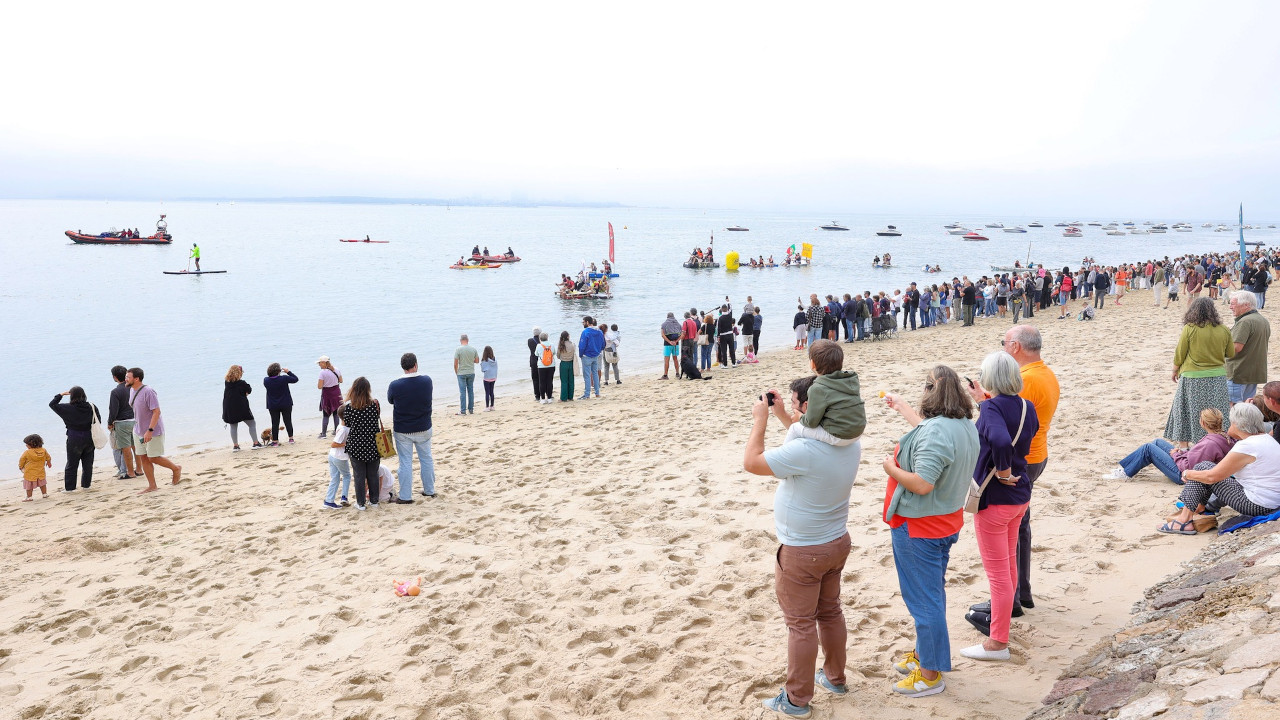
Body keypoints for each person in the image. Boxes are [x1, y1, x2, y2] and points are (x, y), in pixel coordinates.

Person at [743, 376, 860, 717]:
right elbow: (807, 429)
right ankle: (835, 678)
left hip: (803, 550)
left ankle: (796, 700)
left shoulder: (804, 451)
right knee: (830, 612)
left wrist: (760, 420)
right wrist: (783, 413)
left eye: (796, 404)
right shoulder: (848, 439)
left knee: (801, 624)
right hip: (836, 541)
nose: (794, 411)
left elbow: (752, 462)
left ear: (811, 407)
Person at [881, 366, 980, 697]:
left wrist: (891, 468)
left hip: (921, 525)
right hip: (945, 521)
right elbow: (930, 434)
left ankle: (930, 674)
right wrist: (904, 408)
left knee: (924, 601)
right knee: (931, 594)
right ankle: (925, 656)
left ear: (931, 393)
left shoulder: (938, 431)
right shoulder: (964, 425)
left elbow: (923, 483)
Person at [960, 353, 1039, 660]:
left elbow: (1000, 439)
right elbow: (1020, 436)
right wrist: (983, 400)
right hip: (1020, 495)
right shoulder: (1025, 406)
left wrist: (1003, 471)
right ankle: (1000, 634)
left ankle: (997, 643)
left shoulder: (992, 408)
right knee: (1008, 566)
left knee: (999, 574)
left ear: (990, 378)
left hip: (996, 499)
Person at [989, 325, 1058, 617]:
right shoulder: (1046, 374)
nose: (1003, 348)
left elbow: (1005, 424)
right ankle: (1022, 592)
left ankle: (1013, 597)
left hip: (1023, 459)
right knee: (1020, 525)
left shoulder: (1026, 380)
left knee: (1011, 529)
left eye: (1004, 343)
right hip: (1036, 455)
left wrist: (986, 403)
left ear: (1015, 346)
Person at [1161, 403, 1280, 534]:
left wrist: (1187, 473)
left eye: (1231, 422)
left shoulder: (1247, 446)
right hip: (1272, 501)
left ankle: (1184, 520)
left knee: (1202, 468)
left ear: (1238, 424)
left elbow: (1212, 476)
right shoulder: (1267, 439)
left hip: (1258, 505)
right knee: (1206, 468)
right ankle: (1200, 508)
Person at [1165, 297, 1235, 448]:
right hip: (1217, 377)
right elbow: (1231, 353)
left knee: (1185, 411)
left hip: (1192, 377)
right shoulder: (1223, 329)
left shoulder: (1190, 328)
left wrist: (1174, 370)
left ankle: (1184, 446)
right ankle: (1217, 444)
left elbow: (1180, 353)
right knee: (1217, 411)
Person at [1103, 408, 1234, 484]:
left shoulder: (1208, 443)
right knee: (1157, 442)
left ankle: (1125, 473)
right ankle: (1126, 467)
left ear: (1203, 423)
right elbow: (1197, 457)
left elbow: (1188, 467)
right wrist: (1181, 454)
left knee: (1148, 448)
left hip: (1182, 475)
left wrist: (1176, 455)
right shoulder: (1223, 436)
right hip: (1188, 464)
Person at [792, 340, 866, 446]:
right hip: (858, 431)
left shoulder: (817, 388)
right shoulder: (850, 379)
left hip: (840, 436)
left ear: (812, 364)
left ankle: (783, 459)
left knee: (795, 428)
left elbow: (811, 422)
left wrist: (799, 417)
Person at [387, 352, 435, 501]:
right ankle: (429, 489)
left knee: (406, 462)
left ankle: (406, 496)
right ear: (415, 365)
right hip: (423, 426)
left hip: (403, 429)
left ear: (403, 367)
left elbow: (390, 400)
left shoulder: (395, 385)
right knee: (426, 459)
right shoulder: (427, 381)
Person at [126, 367, 181, 494]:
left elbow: (156, 411)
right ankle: (152, 486)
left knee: (153, 457)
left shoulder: (148, 391)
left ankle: (176, 468)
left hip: (153, 430)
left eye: (128, 377)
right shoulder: (131, 391)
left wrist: (150, 430)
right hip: (138, 430)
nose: (126, 379)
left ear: (136, 378)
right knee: (143, 457)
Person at [341, 377, 384, 510]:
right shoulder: (375, 404)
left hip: (356, 445)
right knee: (373, 474)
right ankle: (374, 501)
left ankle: (361, 503)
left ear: (354, 389)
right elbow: (376, 418)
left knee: (359, 475)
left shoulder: (348, 408)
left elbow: (346, 424)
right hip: (373, 444)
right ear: (368, 390)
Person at [49, 387, 100, 492]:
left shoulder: (67, 408)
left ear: (71, 395)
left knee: (72, 464)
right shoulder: (91, 406)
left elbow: (52, 404)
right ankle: (86, 486)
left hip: (74, 437)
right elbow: (98, 420)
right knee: (88, 463)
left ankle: (70, 488)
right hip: (89, 437)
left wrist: (61, 395)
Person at [1225, 291, 1269, 404]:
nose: (1230, 307)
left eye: (1233, 304)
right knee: (1247, 407)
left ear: (1246, 305)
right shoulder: (1263, 320)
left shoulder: (1245, 322)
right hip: (1253, 372)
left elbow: (1236, 348)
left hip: (1238, 372)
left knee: (1234, 408)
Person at [107, 365, 140, 479]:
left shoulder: (115, 392)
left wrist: (110, 422)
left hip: (122, 422)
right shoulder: (133, 388)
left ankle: (129, 472)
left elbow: (113, 409)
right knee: (135, 446)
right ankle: (139, 470)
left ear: (115, 377)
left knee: (125, 448)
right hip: (135, 420)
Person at [222, 365, 261, 451]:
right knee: (251, 423)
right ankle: (256, 443)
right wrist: (245, 393)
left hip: (229, 407)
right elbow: (249, 390)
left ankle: (235, 446)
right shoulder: (242, 383)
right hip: (241, 407)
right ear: (239, 373)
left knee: (233, 426)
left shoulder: (226, 382)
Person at [263, 363, 299, 445]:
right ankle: (291, 439)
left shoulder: (266, 380)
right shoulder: (284, 378)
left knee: (275, 423)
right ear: (279, 371)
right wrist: (288, 372)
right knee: (288, 421)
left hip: (273, 405)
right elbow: (295, 379)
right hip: (286, 403)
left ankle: (275, 441)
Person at [324, 420, 352, 509]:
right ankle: (344, 497)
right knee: (347, 476)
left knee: (335, 478)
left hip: (332, 455)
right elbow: (333, 444)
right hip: (339, 457)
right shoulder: (344, 429)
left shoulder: (340, 425)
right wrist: (346, 444)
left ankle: (329, 500)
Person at [316, 356, 344, 438]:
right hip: (336, 392)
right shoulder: (336, 369)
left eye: (320, 363)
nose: (319, 365)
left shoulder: (322, 373)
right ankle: (336, 431)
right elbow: (341, 381)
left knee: (326, 414)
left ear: (324, 363)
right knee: (336, 413)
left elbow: (319, 386)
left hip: (327, 394)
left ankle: (324, 433)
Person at [19, 434, 52, 501]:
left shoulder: (27, 452)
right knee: (42, 483)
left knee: (29, 485)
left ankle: (29, 497)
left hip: (30, 472)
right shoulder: (43, 450)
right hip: (40, 471)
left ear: (32, 444)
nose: (26, 445)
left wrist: (20, 466)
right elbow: (48, 457)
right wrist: (48, 462)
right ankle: (44, 494)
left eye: (27, 444)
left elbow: (22, 460)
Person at [579, 316, 605, 398]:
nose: (583, 324)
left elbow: (582, 345)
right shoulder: (599, 332)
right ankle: (597, 393)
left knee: (587, 375)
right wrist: (598, 350)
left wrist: (581, 354)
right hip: (596, 355)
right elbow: (603, 344)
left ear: (587, 322)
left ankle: (587, 394)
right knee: (595, 374)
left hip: (587, 355)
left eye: (583, 322)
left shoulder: (586, 332)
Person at [454, 335, 480, 415]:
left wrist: (456, 372)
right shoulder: (473, 349)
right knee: (470, 391)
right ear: (468, 340)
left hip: (461, 373)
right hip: (471, 372)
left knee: (462, 392)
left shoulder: (458, 349)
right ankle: (471, 409)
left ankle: (463, 410)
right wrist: (469, 360)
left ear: (460, 340)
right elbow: (477, 361)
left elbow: (455, 364)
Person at [661, 312, 682, 379]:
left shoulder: (664, 324)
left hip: (667, 344)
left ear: (667, 317)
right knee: (675, 359)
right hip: (676, 344)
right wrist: (676, 341)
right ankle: (677, 373)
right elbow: (682, 334)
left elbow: (662, 335)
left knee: (666, 359)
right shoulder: (678, 324)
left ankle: (665, 375)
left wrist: (669, 341)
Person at [536, 332, 556, 403]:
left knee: (542, 382)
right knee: (549, 381)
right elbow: (554, 353)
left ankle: (543, 399)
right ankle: (550, 398)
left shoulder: (538, 345)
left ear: (540, 338)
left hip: (541, 366)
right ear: (547, 337)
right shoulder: (552, 345)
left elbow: (536, 354)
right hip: (551, 365)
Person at [557, 331, 577, 401]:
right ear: (568, 336)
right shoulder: (572, 344)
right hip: (571, 363)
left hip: (563, 363)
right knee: (571, 381)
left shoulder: (561, 345)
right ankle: (570, 397)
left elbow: (558, 356)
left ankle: (563, 398)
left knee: (564, 381)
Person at [478, 346, 498, 412]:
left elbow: (483, 370)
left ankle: (487, 407)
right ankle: (492, 406)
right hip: (493, 377)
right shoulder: (494, 360)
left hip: (487, 378)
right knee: (492, 392)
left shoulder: (485, 360)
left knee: (487, 392)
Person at [528, 326, 542, 401]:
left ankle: (537, 395)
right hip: (541, 361)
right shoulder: (542, 341)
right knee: (542, 379)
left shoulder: (530, 341)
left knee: (535, 379)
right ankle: (544, 393)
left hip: (533, 362)